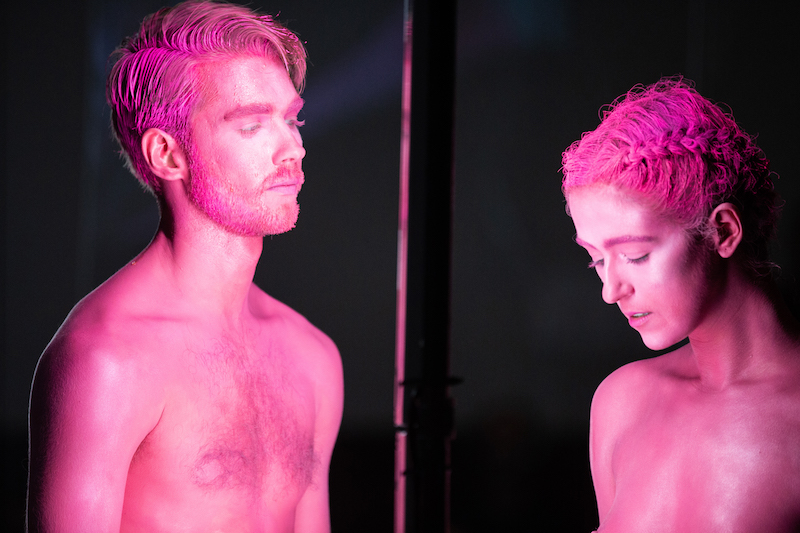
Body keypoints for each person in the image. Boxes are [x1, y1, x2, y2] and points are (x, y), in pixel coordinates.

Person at [26, 1, 344, 532]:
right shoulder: (106, 359)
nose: (292, 148)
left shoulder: (312, 357)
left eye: (292, 119)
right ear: (167, 155)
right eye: (251, 126)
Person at [561, 77, 800, 532]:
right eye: (595, 259)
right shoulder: (621, 402)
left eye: (635, 255)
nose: (611, 290)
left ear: (723, 231)